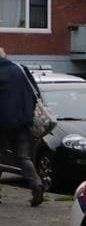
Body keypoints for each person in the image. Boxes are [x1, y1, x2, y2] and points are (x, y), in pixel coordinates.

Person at [0, 49, 44, 206]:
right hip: (23, 121)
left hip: (2, 122)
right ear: (5, 56)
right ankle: (37, 184)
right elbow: (35, 93)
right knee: (23, 156)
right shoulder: (21, 69)